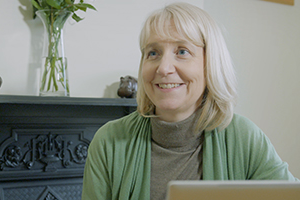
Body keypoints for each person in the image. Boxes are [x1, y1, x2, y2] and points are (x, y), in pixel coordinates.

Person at [81, 2, 298, 200]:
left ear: (210, 64)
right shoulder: (108, 142)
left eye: (182, 51)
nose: (164, 68)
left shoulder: (245, 139)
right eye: (153, 53)